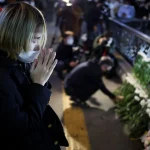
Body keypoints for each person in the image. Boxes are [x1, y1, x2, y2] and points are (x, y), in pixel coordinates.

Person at [0, 2, 68, 150]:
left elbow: (39, 98)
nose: (38, 46)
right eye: (34, 39)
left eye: (40, 39)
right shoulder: (3, 78)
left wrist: (41, 77)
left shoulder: (19, 59)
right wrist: (38, 84)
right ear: (13, 35)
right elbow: (24, 130)